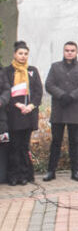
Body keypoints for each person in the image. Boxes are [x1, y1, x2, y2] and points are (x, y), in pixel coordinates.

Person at [43, 41, 78, 182]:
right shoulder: (55, 66)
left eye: (72, 50)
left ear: (76, 52)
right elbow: (49, 84)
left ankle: (75, 171)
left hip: (75, 109)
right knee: (56, 142)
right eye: (67, 50)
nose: (69, 52)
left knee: (75, 142)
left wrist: (71, 96)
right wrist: (61, 95)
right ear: (63, 52)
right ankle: (51, 171)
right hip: (59, 109)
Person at [2, 41, 43, 186]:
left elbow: (38, 92)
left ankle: (24, 175)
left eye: (25, 54)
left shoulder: (32, 70)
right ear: (14, 54)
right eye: (20, 53)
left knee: (24, 147)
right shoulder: (7, 71)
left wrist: (31, 106)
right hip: (14, 114)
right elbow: (6, 91)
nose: (23, 56)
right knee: (14, 146)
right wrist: (17, 104)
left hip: (28, 114)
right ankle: (13, 175)